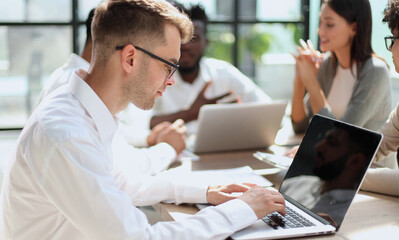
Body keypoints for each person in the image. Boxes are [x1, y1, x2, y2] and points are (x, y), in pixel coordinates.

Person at [0, 1, 286, 239]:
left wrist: (208, 191)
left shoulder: (86, 111)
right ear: (130, 59)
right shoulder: (66, 132)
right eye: (168, 66)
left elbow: (123, 182)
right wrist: (243, 209)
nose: (171, 80)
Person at [36, 8, 186, 176]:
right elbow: (123, 173)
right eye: (167, 67)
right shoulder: (70, 91)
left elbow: (121, 168)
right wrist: (164, 146)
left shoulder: (84, 89)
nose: (171, 80)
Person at [149, 3, 271, 133]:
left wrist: (240, 115)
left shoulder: (223, 73)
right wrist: (192, 113)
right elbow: (138, 124)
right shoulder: (156, 77)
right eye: (181, 38)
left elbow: (267, 109)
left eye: (194, 38)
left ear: (206, 43)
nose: (186, 46)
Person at [291, 0, 391, 133]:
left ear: (354, 28)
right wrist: (300, 79)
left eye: (329, 24)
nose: (320, 31)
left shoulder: (375, 72)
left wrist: (311, 82)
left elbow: (340, 135)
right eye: (321, 22)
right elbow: (300, 127)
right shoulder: (329, 65)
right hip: (327, 153)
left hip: (362, 154)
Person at [281, 126, 371, 225]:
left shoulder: (348, 216)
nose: (318, 146)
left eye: (332, 143)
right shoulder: (300, 182)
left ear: (355, 161)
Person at [361, 0, 399, 197]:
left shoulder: (374, 71)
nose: (390, 49)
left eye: (394, 39)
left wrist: (350, 174)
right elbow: (378, 144)